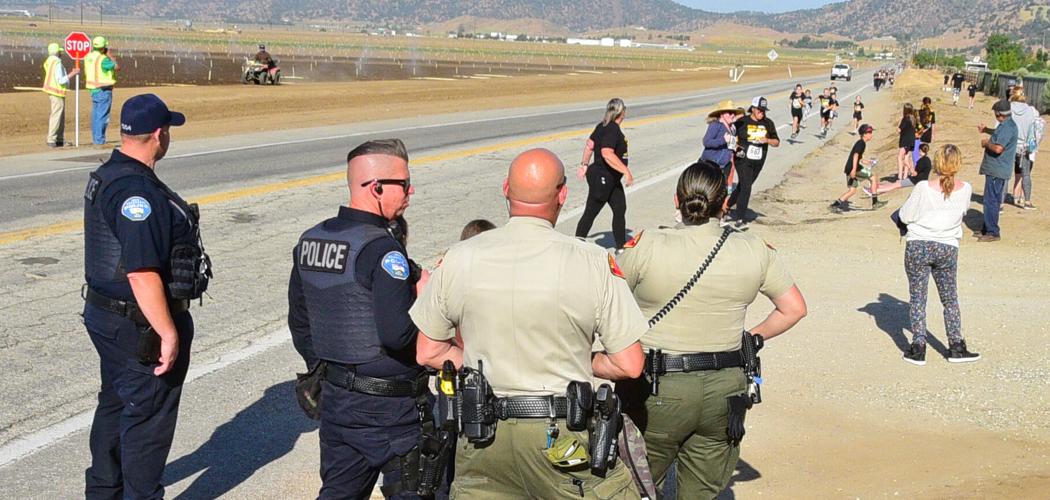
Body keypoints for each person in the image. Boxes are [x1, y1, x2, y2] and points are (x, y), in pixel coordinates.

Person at [411, 148, 648, 498]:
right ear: (563, 195)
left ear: (506, 189)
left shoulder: (460, 258)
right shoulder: (592, 261)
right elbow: (630, 364)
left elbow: (428, 352)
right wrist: (583, 360)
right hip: (562, 435)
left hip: (482, 437)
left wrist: (484, 367)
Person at [617, 161, 806, 498]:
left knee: (637, 487)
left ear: (677, 201)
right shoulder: (754, 249)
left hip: (657, 387)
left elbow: (604, 299)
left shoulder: (646, 246)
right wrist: (752, 338)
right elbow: (794, 309)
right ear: (726, 204)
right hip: (725, 388)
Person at [288, 139, 441, 499]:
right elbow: (397, 335)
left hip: (338, 402)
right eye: (404, 183)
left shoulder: (311, 240)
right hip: (393, 410)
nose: (410, 190)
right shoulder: (383, 250)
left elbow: (300, 322)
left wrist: (328, 370)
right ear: (376, 188)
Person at [81, 94, 208, 499]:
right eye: (167, 129)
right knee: (147, 421)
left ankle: (104, 492)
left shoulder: (110, 173)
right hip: (138, 325)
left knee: (115, 405)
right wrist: (167, 332)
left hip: (109, 317)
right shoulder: (137, 191)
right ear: (159, 134)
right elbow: (140, 270)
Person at [899, 144, 980, 365]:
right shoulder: (966, 189)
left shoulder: (924, 188)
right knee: (950, 298)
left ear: (936, 163)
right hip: (947, 246)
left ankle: (918, 347)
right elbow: (961, 213)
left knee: (918, 298)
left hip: (919, 245)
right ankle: (956, 345)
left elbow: (906, 216)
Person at [576, 98, 634, 250]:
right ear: (621, 112)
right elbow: (606, 153)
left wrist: (584, 165)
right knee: (591, 211)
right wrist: (626, 171)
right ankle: (577, 244)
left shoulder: (602, 126)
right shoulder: (612, 129)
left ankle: (621, 247)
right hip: (601, 178)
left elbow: (590, 145)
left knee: (620, 208)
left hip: (611, 179)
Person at [727, 96, 779, 228]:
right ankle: (740, 218)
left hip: (758, 161)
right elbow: (731, 137)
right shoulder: (742, 122)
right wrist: (735, 147)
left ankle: (726, 207)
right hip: (742, 159)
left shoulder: (768, 123)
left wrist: (767, 141)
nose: (762, 113)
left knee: (742, 186)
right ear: (753, 109)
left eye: (764, 110)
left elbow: (776, 142)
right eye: (760, 110)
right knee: (746, 187)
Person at [975, 100, 1018, 242]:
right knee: (991, 199)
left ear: (999, 114)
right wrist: (986, 130)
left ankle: (992, 231)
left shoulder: (1007, 127)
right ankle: (987, 228)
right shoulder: (1006, 125)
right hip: (997, 169)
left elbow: (998, 148)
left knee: (991, 200)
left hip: (997, 170)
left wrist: (987, 143)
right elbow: (998, 135)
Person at [831, 124, 884, 211]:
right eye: (869, 132)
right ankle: (875, 202)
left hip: (849, 168)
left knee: (852, 190)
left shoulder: (861, 143)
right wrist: (854, 170)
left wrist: (867, 162)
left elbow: (859, 157)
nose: (871, 134)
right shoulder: (861, 143)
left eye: (871, 132)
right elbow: (855, 155)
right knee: (873, 178)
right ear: (864, 134)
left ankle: (835, 205)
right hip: (854, 169)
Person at [41, 42, 79, 147]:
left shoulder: (49, 61)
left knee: (60, 115)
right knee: (57, 115)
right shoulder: (57, 62)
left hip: (53, 91)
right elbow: (60, 80)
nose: (61, 53)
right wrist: (73, 73)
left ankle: (59, 139)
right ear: (57, 52)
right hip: (56, 91)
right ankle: (52, 139)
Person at [700, 99, 745, 189]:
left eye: (733, 113)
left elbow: (729, 144)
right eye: (729, 113)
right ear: (721, 114)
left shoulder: (731, 128)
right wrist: (723, 140)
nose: (732, 115)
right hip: (710, 165)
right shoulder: (716, 125)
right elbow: (706, 141)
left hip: (724, 166)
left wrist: (737, 149)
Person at [84, 36, 119, 145]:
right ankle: (99, 141)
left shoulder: (88, 56)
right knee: (102, 116)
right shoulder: (103, 59)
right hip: (103, 89)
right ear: (103, 47)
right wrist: (110, 56)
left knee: (96, 116)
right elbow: (117, 67)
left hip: (93, 89)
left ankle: (96, 139)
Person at [1007, 87, 1038, 209]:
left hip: (1010, 146)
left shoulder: (1008, 108)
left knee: (1006, 175)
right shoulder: (1031, 110)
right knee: (1026, 175)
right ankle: (1027, 202)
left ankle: (1000, 204)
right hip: (1025, 147)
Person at [867, 143, 932, 195]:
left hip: (916, 181)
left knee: (895, 185)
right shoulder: (927, 160)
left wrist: (908, 165)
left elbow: (914, 173)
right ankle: (875, 187)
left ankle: (874, 191)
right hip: (920, 180)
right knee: (896, 183)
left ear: (920, 150)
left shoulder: (922, 161)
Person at [896, 103, 917, 181]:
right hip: (912, 141)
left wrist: (899, 121)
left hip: (905, 141)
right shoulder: (913, 118)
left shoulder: (905, 118)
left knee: (900, 157)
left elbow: (899, 130)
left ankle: (900, 175)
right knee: (907, 157)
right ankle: (905, 176)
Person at [916, 97, 935, 163]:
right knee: (925, 148)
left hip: (920, 131)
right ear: (930, 103)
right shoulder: (932, 113)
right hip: (928, 132)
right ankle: (924, 160)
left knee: (919, 149)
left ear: (922, 103)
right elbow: (933, 124)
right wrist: (933, 134)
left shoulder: (919, 111)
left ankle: (919, 161)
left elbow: (917, 122)